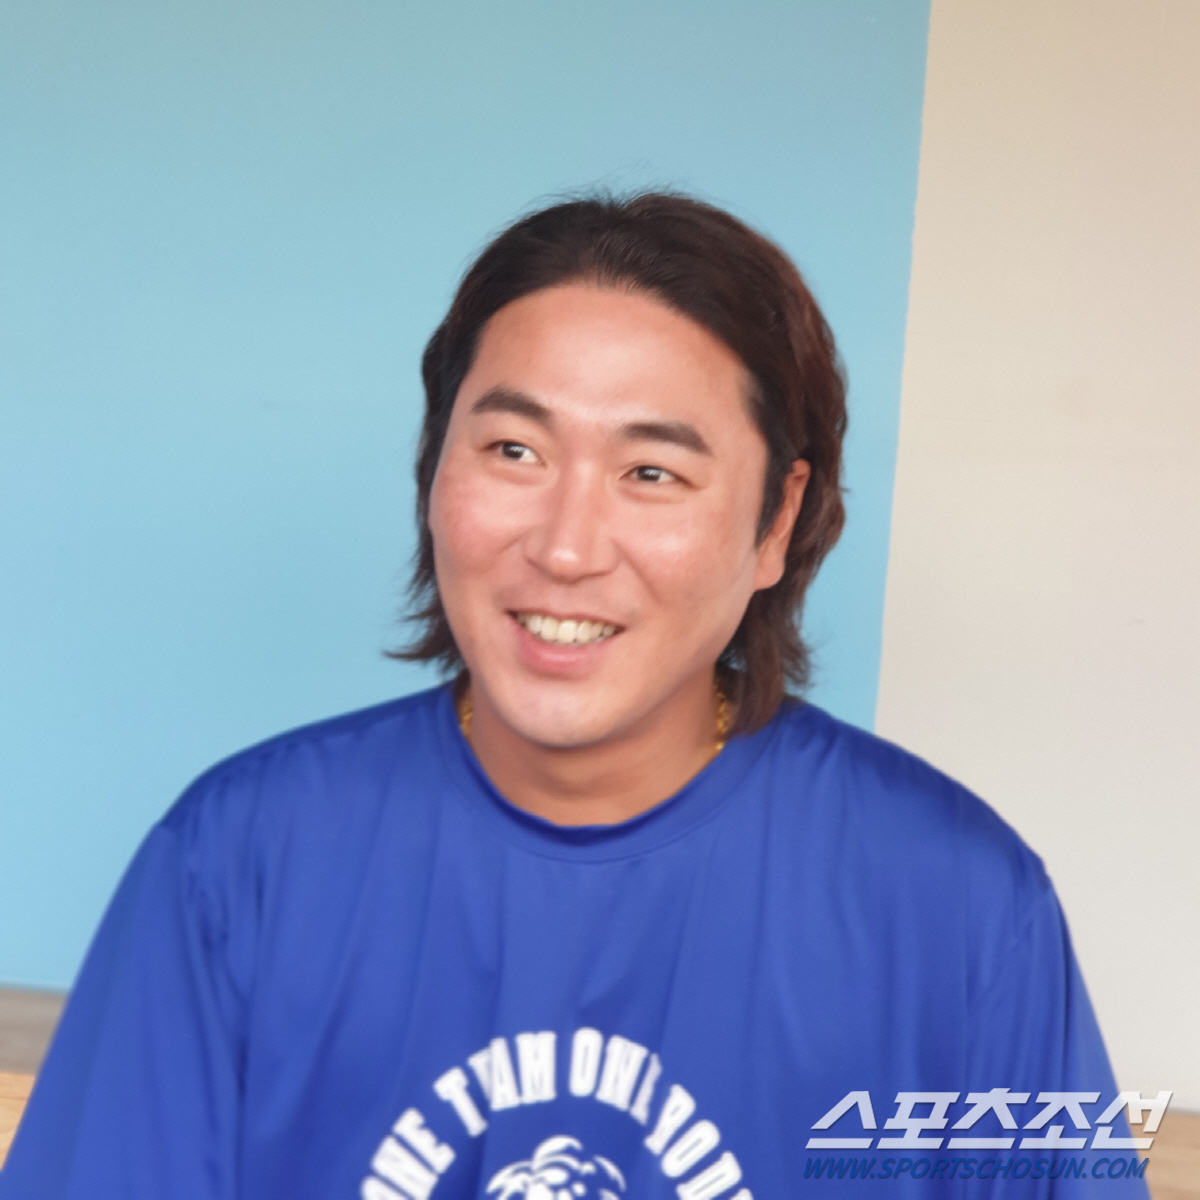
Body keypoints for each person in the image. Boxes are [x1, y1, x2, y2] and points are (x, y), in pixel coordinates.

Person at [1, 194, 1151, 1197]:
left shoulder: (957, 909)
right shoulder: (238, 862)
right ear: (433, 468)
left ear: (777, 522)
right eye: (514, 451)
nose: (564, 546)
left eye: (652, 472)